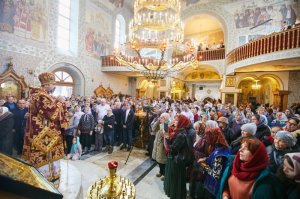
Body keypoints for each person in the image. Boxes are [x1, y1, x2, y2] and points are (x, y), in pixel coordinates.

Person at [22, 72, 69, 185]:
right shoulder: (41, 96)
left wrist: (56, 101)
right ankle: (45, 178)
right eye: (53, 84)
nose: (54, 86)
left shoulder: (41, 95)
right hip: (43, 133)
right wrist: (60, 102)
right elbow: (51, 114)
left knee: (49, 155)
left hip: (45, 132)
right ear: (47, 84)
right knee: (43, 155)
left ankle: (51, 175)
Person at [217, 137, 285, 199]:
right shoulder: (233, 166)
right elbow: (225, 186)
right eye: (241, 146)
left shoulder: (266, 181)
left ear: (256, 155)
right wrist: (225, 196)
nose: (240, 150)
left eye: (246, 148)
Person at [164, 115, 192, 199]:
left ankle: (176, 195)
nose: (175, 121)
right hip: (175, 159)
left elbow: (173, 148)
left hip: (177, 160)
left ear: (181, 122)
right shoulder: (179, 131)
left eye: (177, 120)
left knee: (176, 180)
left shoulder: (181, 135)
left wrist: (167, 138)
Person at [152, 112, 170, 181]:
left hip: (162, 146)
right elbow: (153, 129)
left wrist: (163, 124)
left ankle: (164, 174)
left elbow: (164, 135)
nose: (161, 119)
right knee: (158, 160)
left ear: (166, 119)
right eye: (161, 117)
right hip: (157, 144)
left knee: (163, 161)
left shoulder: (167, 125)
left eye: (162, 118)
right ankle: (160, 171)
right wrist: (158, 121)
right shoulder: (160, 124)